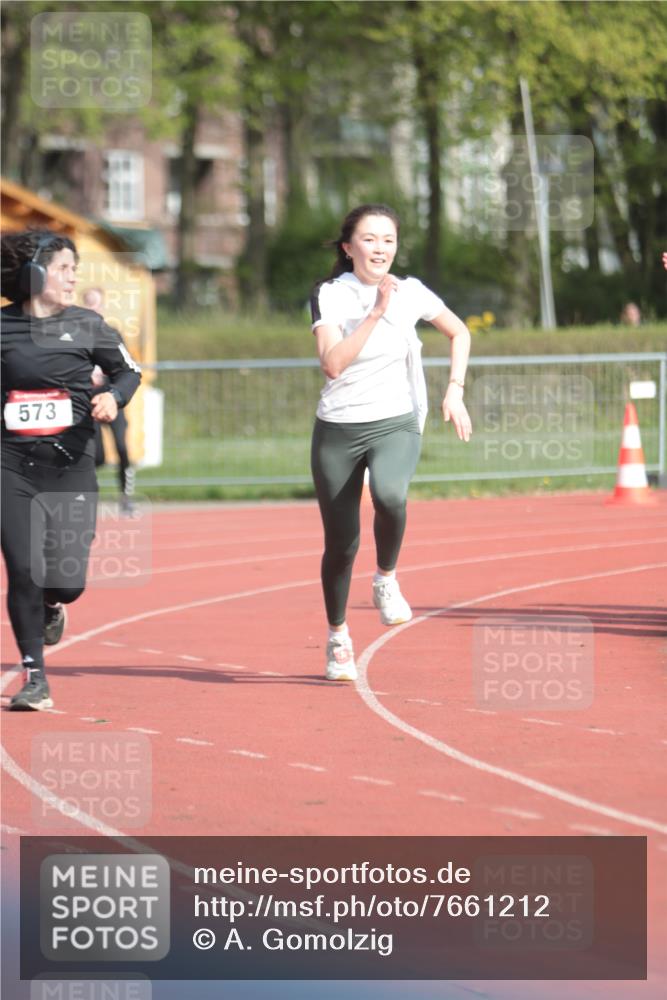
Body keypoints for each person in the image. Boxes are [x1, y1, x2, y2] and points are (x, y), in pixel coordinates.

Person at [309, 204, 472, 682]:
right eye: (370, 239)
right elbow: (333, 363)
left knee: (391, 495)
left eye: (389, 240)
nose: (380, 248)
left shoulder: (412, 291)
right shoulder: (330, 295)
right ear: (348, 247)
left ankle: (385, 578)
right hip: (338, 428)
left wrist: (455, 390)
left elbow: (458, 331)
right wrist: (377, 312)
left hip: (396, 420)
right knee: (340, 545)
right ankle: (338, 637)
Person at [1, 230, 141, 710]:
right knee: (23, 570)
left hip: (70, 467)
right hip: (11, 467)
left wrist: (112, 396)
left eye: (75, 269)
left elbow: (129, 372)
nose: (73, 277)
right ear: (34, 272)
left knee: (65, 581)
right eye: (64, 268)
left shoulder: (89, 324)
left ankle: (52, 604)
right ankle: (35, 678)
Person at [83, 287, 136, 516]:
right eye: (88, 302)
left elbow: (125, 368)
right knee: (96, 456)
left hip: (111, 397)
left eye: (96, 303)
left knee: (122, 447)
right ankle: (87, 497)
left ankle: (126, 497)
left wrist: (114, 391)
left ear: (102, 306)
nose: (92, 307)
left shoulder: (111, 333)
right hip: (89, 400)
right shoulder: (74, 334)